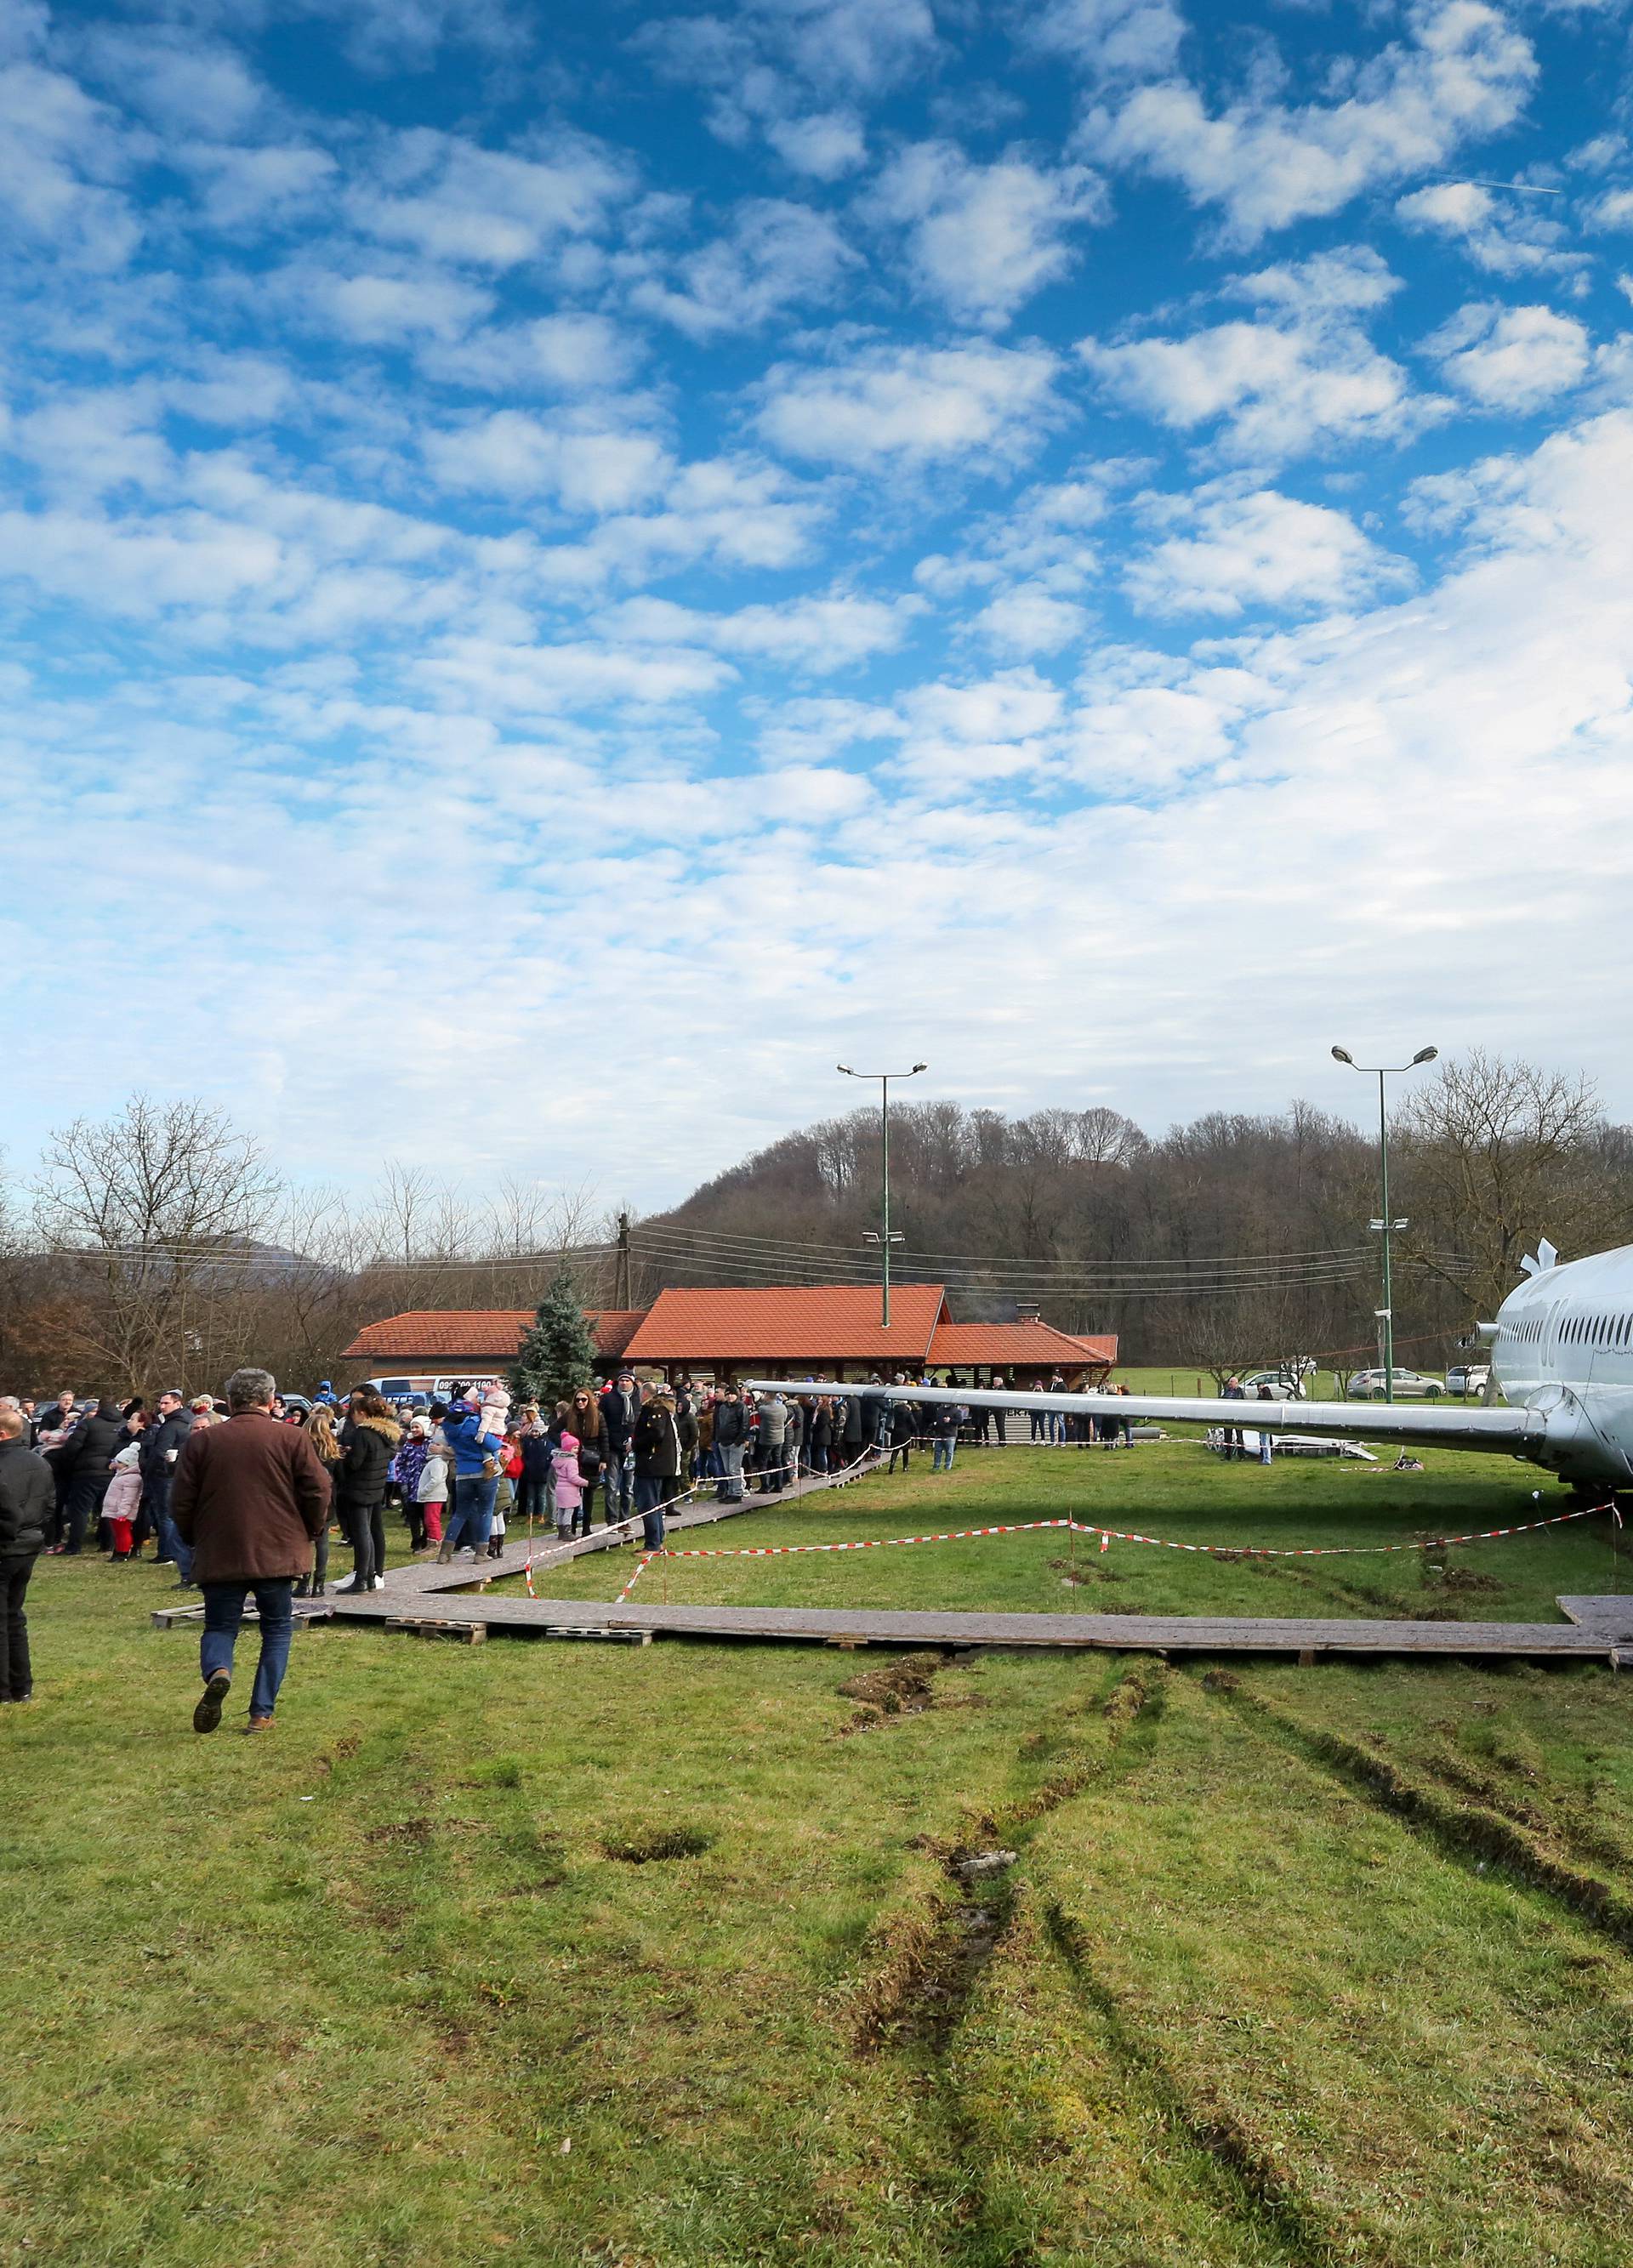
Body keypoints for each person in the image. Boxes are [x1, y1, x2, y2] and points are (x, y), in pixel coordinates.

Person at [173, 1368, 332, 1734]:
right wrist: (311, 1530)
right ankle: (261, 1713)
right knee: (276, 1630)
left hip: (220, 1548)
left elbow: (181, 1499)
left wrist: (193, 1537)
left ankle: (219, 1671)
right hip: (277, 1550)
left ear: (229, 1400)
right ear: (271, 1400)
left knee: (219, 1626)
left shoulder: (203, 1441)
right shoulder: (291, 1438)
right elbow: (318, 1490)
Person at [0, 1407, 52, 1704]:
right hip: (29, 1545)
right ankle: (22, 1686)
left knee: (5, 1619)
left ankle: (5, 1689)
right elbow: (49, 1504)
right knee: (14, 1616)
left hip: (9, 1543)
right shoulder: (40, 1463)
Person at [334, 1389, 400, 1594]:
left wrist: (341, 1460)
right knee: (370, 1532)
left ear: (362, 1414)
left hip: (359, 1488)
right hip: (376, 1487)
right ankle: (371, 1576)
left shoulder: (362, 1433)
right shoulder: (384, 1433)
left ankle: (361, 1578)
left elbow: (355, 1464)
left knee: (362, 1533)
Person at [436, 1382, 507, 1562]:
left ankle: (445, 1553)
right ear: (469, 1400)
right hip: (484, 1471)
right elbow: (491, 1444)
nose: (478, 1401)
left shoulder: (449, 1425)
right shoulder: (474, 1422)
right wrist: (499, 1443)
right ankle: (481, 1553)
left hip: (462, 1473)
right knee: (485, 1511)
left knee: (460, 1512)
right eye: (476, 1398)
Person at [59, 1398, 125, 1556]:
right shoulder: (123, 1425)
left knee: (80, 1510)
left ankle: (74, 1546)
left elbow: (72, 1448)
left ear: (99, 1408)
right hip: (113, 1472)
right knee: (108, 1510)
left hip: (87, 1473)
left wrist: (71, 1464)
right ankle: (108, 1544)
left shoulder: (88, 1424)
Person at [142, 1389, 195, 1582]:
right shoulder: (186, 1420)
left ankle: (166, 1553)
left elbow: (160, 1452)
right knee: (167, 1515)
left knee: (165, 1515)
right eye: (161, 1403)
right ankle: (169, 1552)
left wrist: (150, 1469)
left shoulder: (172, 1426)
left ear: (177, 1403)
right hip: (175, 1472)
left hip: (165, 1474)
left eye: (166, 1403)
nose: (162, 1406)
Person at [296, 1403, 344, 1597]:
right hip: (328, 1498)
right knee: (322, 1541)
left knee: (305, 1542)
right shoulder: (332, 1450)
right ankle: (319, 1584)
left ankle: (303, 1583)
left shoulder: (303, 1449)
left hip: (305, 1497)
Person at [632, 1390, 682, 1549]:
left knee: (648, 1505)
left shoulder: (655, 1411)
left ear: (646, 1394)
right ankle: (657, 1541)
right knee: (655, 1505)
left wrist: (635, 1444)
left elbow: (656, 1434)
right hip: (660, 1465)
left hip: (651, 1465)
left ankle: (652, 1544)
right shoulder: (664, 1411)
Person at [600, 1372, 640, 1525]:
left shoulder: (638, 1399)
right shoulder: (608, 1399)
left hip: (631, 1447)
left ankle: (625, 1519)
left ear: (632, 1382)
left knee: (628, 1487)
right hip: (612, 1447)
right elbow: (602, 1423)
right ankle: (611, 1519)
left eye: (627, 1380)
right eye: (621, 1380)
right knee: (611, 1486)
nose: (624, 1383)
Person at [102, 1438, 145, 1560]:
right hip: (116, 1510)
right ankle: (119, 1551)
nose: (117, 1464)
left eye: (119, 1462)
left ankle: (123, 1552)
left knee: (123, 1532)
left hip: (122, 1512)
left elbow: (129, 1498)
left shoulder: (132, 1478)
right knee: (118, 1532)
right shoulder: (121, 1475)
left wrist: (123, 1512)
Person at [713, 1384, 750, 1502]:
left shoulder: (741, 1407)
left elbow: (744, 1426)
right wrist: (718, 1439)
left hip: (735, 1443)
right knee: (727, 1469)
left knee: (734, 1469)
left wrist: (738, 1441)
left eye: (732, 1394)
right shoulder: (723, 1407)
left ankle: (737, 1493)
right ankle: (730, 1491)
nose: (729, 1396)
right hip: (723, 1442)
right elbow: (719, 1424)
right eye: (727, 1394)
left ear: (737, 1395)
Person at [550, 1431, 583, 1543]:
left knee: (561, 1511)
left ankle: (560, 1532)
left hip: (559, 1488)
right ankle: (567, 1533)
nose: (577, 1450)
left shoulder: (558, 1460)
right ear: (568, 1449)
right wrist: (585, 1482)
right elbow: (573, 1477)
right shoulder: (571, 1462)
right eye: (574, 1448)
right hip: (569, 1490)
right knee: (568, 1512)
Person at [756, 1391, 789, 1493]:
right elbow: (784, 1420)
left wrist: (759, 1400)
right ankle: (779, 1486)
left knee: (763, 1463)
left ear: (768, 1397)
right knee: (777, 1462)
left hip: (766, 1439)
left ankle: (765, 1486)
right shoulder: (783, 1408)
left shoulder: (763, 1409)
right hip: (779, 1439)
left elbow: (758, 1410)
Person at [930, 1399, 961, 1472]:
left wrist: (950, 1420)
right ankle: (936, 1466)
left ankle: (948, 1466)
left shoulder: (956, 1411)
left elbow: (960, 1421)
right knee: (937, 1451)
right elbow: (936, 1419)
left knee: (949, 1452)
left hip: (950, 1435)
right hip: (939, 1434)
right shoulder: (940, 1410)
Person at [1256, 1383, 1275, 1466]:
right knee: (1265, 1441)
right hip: (1268, 1424)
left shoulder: (1264, 1402)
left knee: (1265, 1442)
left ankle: (1267, 1459)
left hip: (1264, 1424)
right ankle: (1266, 1458)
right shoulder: (1270, 1403)